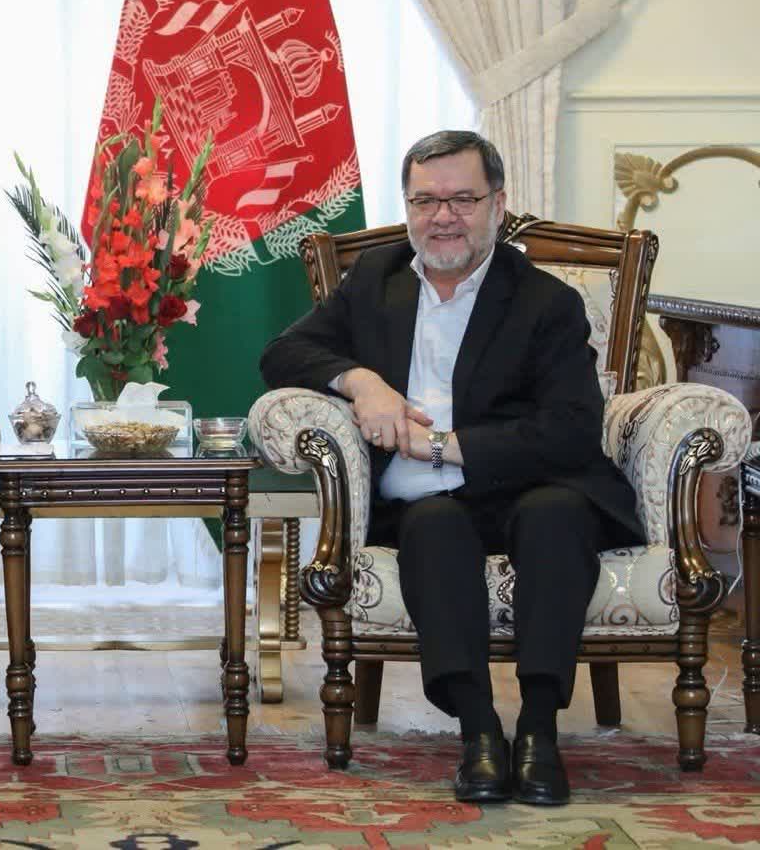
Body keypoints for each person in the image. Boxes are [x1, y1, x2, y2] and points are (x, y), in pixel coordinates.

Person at [260, 130, 643, 806]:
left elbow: (572, 429)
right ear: (408, 206)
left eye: (463, 199)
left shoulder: (546, 301)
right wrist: (362, 383)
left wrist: (443, 446)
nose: (443, 217)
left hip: (530, 484)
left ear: (498, 204)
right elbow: (283, 354)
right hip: (423, 504)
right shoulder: (374, 280)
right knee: (434, 527)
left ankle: (539, 730)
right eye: (425, 201)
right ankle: (479, 733)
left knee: (556, 517)